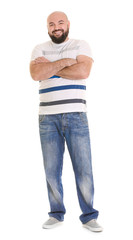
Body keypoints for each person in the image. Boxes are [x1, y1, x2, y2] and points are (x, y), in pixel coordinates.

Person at [29, 11, 103, 232]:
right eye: (51, 24)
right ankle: (56, 214)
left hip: (75, 115)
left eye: (60, 22)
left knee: (84, 168)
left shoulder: (81, 45)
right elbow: (35, 74)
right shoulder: (38, 49)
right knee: (51, 169)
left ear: (68, 24)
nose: (56, 27)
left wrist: (50, 68)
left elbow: (83, 71)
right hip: (47, 118)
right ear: (47, 27)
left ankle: (89, 216)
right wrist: (65, 63)